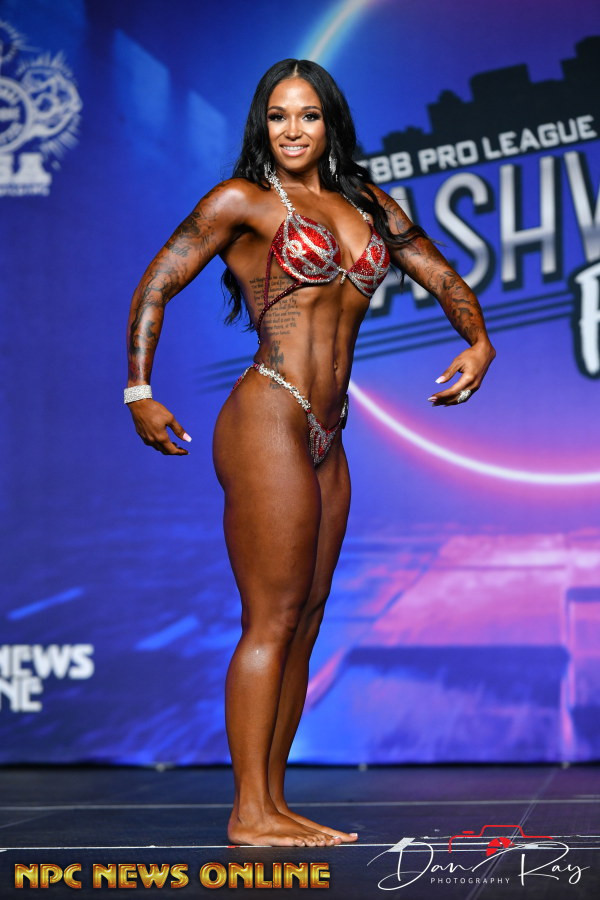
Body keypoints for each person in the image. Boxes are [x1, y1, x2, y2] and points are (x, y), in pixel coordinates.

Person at [125, 58, 495, 848]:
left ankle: (274, 802)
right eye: (278, 116)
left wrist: (478, 340)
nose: (293, 130)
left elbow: (438, 272)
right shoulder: (242, 202)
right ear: (261, 125)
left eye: (309, 115)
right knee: (272, 615)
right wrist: (139, 389)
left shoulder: (368, 204)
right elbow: (157, 282)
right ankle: (247, 812)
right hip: (269, 414)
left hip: (329, 430)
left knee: (309, 617)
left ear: (331, 123)